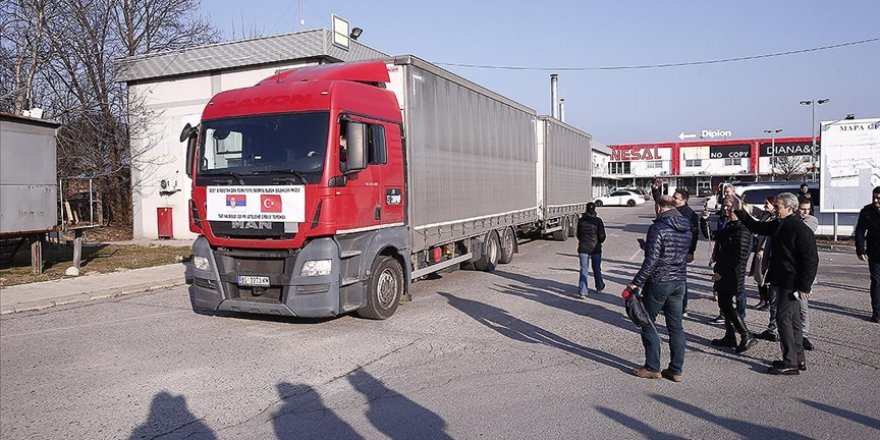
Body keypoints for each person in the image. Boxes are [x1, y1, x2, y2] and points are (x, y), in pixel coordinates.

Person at [735, 192, 819, 375]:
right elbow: (756, 226)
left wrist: (805, 286)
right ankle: (798, 359)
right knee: (794, 321)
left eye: (779, 207)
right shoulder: (779, 223)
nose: (775, 209)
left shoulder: (800, 229)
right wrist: (739, 209)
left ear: (790, 208)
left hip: (792, 282)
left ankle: (790, 362)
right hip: (780, 278)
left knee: (783, 319)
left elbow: (811, 260)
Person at [627, 195, 692, 382]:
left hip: (659, 281)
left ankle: (652, 367)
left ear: (658, 208)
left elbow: (652, 261)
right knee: (676, 327)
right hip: (679, 281)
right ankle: (675, 370)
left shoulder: (658, 227)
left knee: (647, 322)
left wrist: (636, 282)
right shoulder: (686, 227)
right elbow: (680, 254)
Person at [708, 196, 757, 353]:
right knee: (724, 304)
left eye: (729, 206)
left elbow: (740, 256)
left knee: (729, 306)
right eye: (724, 206)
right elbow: (713, 235)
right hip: (723, 270)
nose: (725, 209)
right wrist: (704, 221)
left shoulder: (743, 228)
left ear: (737, 208)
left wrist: (721, 272)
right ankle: (730, 336)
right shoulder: (731, 225)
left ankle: (746, 335)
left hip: (733, 274)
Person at [854, 186, 880, 323]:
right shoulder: (867, 211)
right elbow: (859, 231)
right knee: (876, 282)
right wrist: (860, 249)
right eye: (874, 197)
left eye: (879, 198)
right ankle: (877, 312)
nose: (876, 200)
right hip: (875, 253)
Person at [673, 188, 699, 317]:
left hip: (681, 251)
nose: (673, 199)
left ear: (684, 200)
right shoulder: (674, 210)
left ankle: (683, 308)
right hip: (671, 250)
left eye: (676, 198)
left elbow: (693, 234)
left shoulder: (688, 213)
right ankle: (670, 305)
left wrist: (691, 251)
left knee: (680, 280)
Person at [796, 197, 818, 350]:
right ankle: (775, 330)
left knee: (802, 306)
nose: (805, 212)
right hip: (787, 271)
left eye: (807, 209)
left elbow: (801, 232)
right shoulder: (791, 219)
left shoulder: (811, 221)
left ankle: (804, 335)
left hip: (803, 273)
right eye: (802, 209)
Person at [751, 196, 777, 311]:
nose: (765, 205)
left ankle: (768, 302)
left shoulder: (774, 218)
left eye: (767, 203)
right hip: (758, 249)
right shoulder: (765, 215)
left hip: (765, 251)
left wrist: (762, 248)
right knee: (758, 276)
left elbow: (769, 236)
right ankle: (762, 299)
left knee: (765, 277)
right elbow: (755, 211)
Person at [575, 202, 606, 298]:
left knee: (584, 269)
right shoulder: (598, 221)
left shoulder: (581, 221)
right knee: (596, 268)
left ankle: (583, 291)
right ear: (594, 209)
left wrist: (583, 241)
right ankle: (599, 286)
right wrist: (599, 242)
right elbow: (602, 236)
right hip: (595, 248)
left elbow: (578, 234)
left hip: (583, 247)